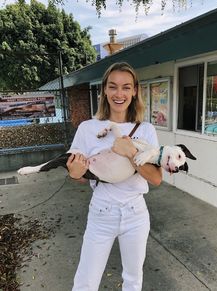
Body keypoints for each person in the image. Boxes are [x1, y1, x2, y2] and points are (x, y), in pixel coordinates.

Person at [67, 62, 162, 291]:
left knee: (133, 280)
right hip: (101, 212)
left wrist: (130, 153)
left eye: (126, 87)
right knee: (85, 282)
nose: (119, 94)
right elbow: (80, 174)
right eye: (113, 87)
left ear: (134, 91)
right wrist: (75, 173)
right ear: (104, 91)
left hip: (136, 214)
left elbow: (156, 178)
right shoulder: (88, 128)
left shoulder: (146, 129)